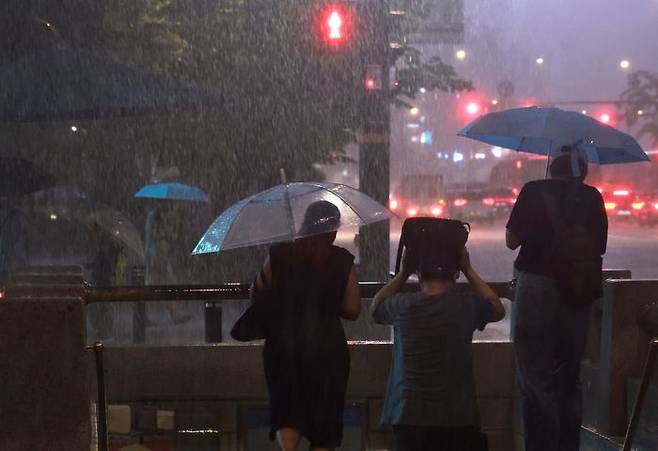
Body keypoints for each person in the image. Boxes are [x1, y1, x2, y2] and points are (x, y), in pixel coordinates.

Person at [505, 151, 608, 451]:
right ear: (583, 172)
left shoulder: (534, 190)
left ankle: (541, 445)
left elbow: (512, 241)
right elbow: (598, 245)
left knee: (534, 376)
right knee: (569, 374)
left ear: (553, 167)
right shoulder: (593, 198)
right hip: (577, 289)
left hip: (536, 287)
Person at [251, 200, 361, 451]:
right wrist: (327, 301)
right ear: (333, 230)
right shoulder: (343, 261)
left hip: (285, 345)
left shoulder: (280, 254)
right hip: (326, 348)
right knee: (325, 421)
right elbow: (353, 309)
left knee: (288, 408)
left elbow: (256, 293)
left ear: (304, 225)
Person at [371, 246, 505, 451]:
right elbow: (497, 308)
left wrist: (403, 272)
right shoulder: (466, 307)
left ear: (419, 273)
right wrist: (469, 270)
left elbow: (376, 307)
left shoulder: (402, 306)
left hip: (408, 416)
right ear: (456, 273)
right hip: (457, 417)